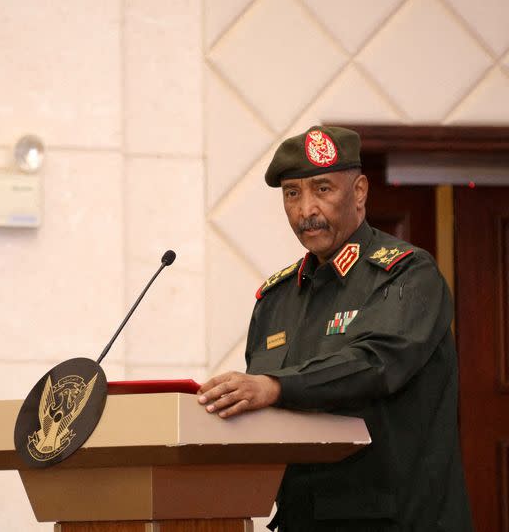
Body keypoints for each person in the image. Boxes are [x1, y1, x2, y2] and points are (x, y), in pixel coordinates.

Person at [197, 126, 473, 531]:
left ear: (359, 191)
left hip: (400, 519)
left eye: (322, 189)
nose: (306, 209)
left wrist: (274, 385)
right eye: (292, 193)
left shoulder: (408, 275)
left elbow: (376, 364)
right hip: (304, 518)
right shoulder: (275, 300)